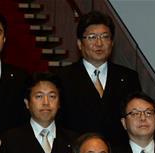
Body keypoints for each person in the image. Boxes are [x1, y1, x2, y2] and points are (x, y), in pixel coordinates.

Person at [55, 10, 141, 142]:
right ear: (79, 43)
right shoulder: (62, 78)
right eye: (92, 37)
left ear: (112, 43)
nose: (99, 43)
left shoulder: (128, 77)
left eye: (105, 37)